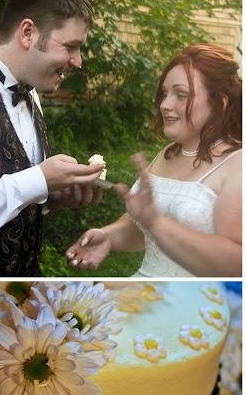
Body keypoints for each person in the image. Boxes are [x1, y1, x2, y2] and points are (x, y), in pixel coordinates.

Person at [66, 44, 242, 276]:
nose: (164, 105)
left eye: (181, 95)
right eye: (165, 93)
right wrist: (109, 236)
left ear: (220, 102)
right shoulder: (168, 153)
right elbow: (143, 227)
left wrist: (157, 223)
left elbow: (237, 264)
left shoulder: (238, 164)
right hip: (147, 293)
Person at [0, 0, 105, 277]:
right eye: (71, 46)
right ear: (27, 33)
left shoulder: (32, 90)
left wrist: (52, 194)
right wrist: (39, 180)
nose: (78, 61)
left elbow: (15, 186)